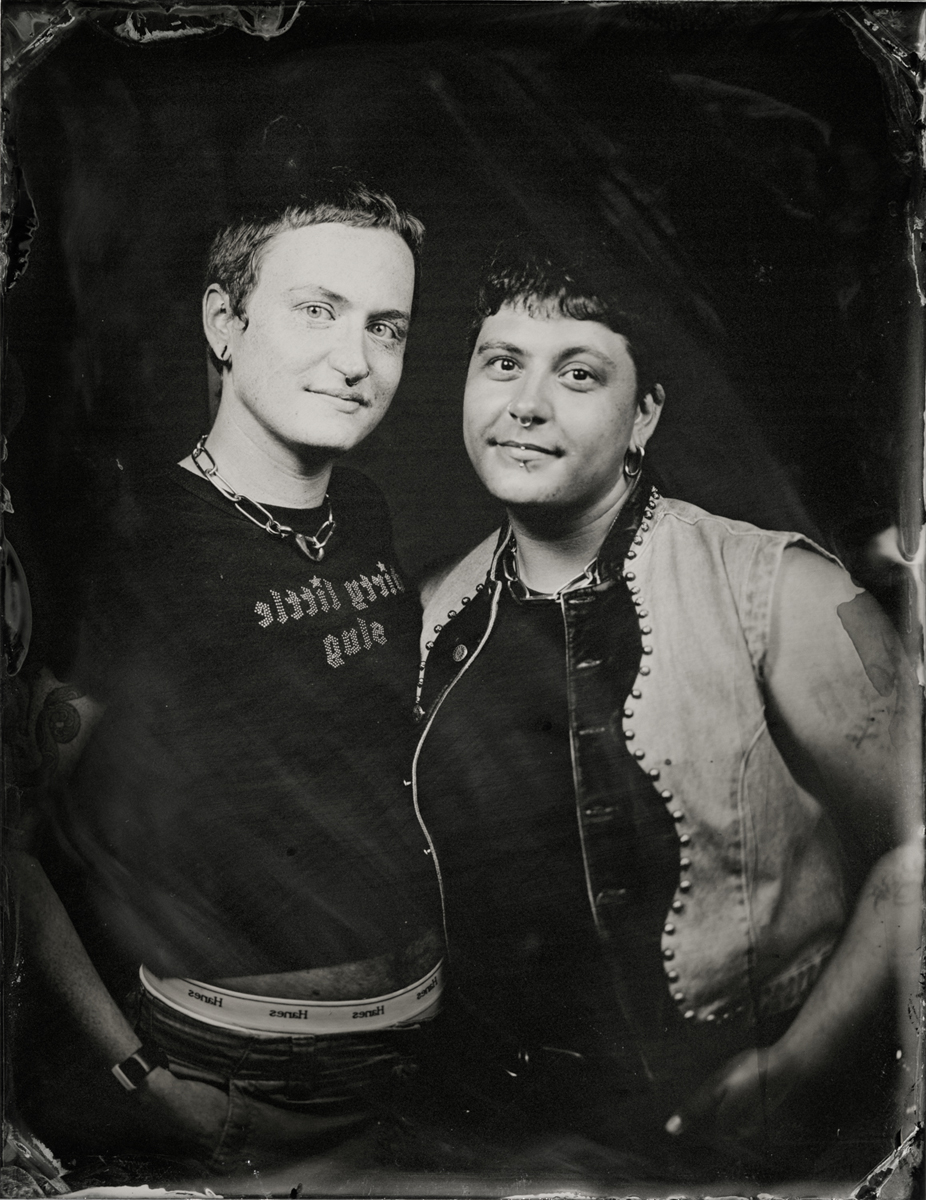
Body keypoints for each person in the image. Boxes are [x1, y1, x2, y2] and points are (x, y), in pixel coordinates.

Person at [409, 245, 922, 1180]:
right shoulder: (427, 619)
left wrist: (801, 1066)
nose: (526, 404)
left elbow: (919, 847)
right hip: (507, 1153)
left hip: (749, 1144)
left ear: (644, 412)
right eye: (503, 363)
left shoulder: (781, 589)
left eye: (578, 374)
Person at [9, 179, 443, 1174]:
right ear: (223, 321)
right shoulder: (132, 544)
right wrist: (145, 1083)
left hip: (417, 1058)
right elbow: (11, 843)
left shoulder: (365, 510)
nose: (356, 360)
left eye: (385, 327)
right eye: (317, 310)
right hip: (242, 1082)